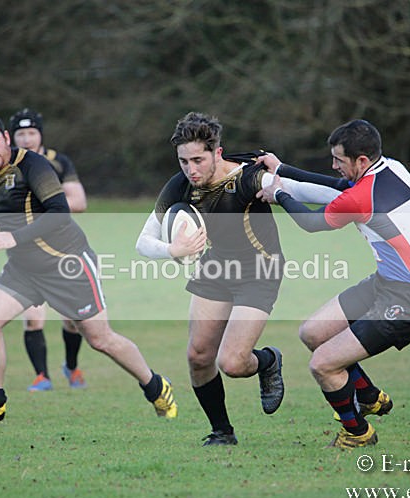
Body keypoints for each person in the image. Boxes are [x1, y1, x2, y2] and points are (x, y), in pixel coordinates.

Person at [0, 111, 177, 422]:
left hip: (67, 265)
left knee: (100, 339)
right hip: (24, 270)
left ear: (5, 138)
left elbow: (60, 212)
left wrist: (13, 238)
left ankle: (155, 386)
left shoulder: (34, 165)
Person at [135, 112, 338, 445]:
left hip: (260, 271)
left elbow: (310, 192)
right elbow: (143, 241)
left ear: (217, 153)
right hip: (216, 269)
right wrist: (173, 249)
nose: (191, 169)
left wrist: (356, 194)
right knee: (198, 356)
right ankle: (222, 433)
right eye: (183, 161)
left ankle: (268, 360)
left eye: (198, 160)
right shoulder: (181, 185)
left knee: (232, 362)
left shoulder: (249, 178)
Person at [256, 119, 410, 449]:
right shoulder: (392, 169)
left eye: (339, 159)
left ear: (360, 161)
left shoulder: (361, 196)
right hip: (388, 283)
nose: (333, 165)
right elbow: (334, 185)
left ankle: (358, 433)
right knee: (313, 333)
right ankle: (368, 396)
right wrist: (282, 169)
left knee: (323, 364)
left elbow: (312, 222)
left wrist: (279, 193)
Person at [8, 108, 88, 392]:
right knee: (33, 316)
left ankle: (71, 366)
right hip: (26, 252)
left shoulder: (58, 162)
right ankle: (41, 376)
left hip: (62, 250)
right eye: (21, 134)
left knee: (73, 319)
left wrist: (42, 197)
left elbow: (78, 202)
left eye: (32, 133)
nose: (27, 139)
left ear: (40, 134)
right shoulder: (6, 167)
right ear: (12, 137)